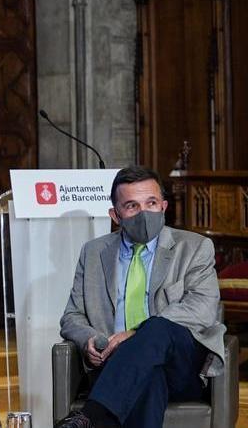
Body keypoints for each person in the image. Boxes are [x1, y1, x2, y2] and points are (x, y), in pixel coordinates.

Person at [55, 166, 225, 428]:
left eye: (151, 203)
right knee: (148, 377)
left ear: (164, 206)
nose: (144, 213)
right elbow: (72, 315)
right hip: (115, 364)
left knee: (157, 327)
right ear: (116, 214)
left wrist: (135, 334)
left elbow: (202, 310)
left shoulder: (194, 247)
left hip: (180, 366)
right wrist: (90, 339)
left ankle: (91, 416)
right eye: (132, 206)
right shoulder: (93, 252)